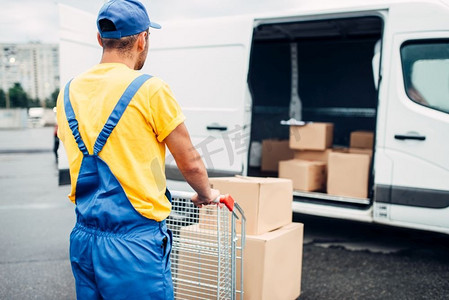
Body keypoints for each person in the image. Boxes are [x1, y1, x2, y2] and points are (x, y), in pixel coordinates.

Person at [56, 0, 219, 299]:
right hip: (134, 246)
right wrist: (206, 194)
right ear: (143, 39)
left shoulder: (69, 91)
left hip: (83, 240)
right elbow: (191, 162)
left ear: (99, 38)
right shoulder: (150, 89)